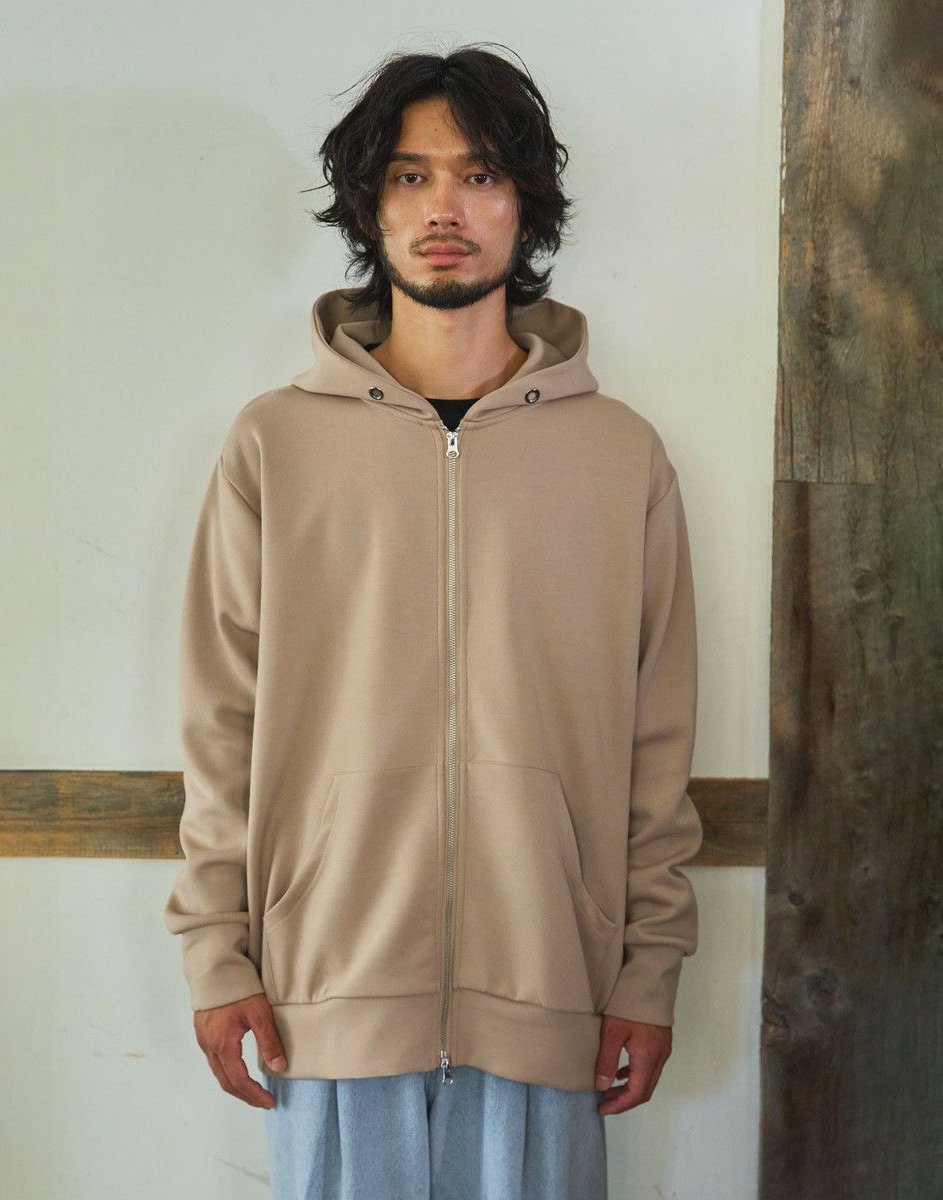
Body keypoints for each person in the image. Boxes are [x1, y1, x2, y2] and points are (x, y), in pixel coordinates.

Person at [163, 42, 703, 1200]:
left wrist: (648, 970)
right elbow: (220, 720)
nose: (443, 208)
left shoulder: (619, 456)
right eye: (409, 177)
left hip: (551, 992)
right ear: (370, 205)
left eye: (480, 175)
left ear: (527, 205)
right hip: (325, 997)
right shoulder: (275, 444)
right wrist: (217, 951)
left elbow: (657, 738)